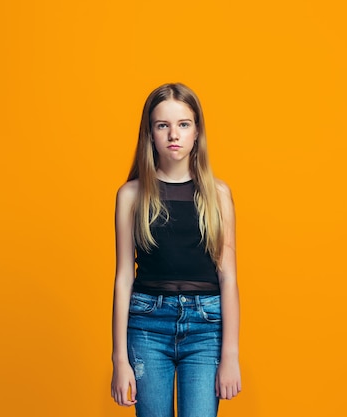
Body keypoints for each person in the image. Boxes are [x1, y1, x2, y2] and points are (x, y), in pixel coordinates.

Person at [110, 83, 241, 417]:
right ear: (150, 134)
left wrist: (231, 355)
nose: (173, 134)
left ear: (197, 131)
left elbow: (228, 278)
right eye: (162, 125)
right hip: (147, 327)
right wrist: (119, 360)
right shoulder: (131, 195)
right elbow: (124, 278)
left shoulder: (218, 195)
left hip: (206, 327)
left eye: (183, 124)